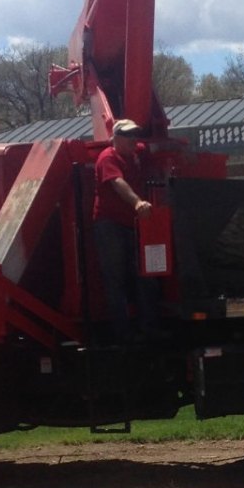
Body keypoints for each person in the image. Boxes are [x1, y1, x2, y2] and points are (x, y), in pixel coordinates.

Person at [92, 118, 159, 339]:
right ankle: (123, 333)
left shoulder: (134, 152)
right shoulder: (108, 158)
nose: (134, 140)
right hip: (110, 226)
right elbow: (118, 183)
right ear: (117, 138)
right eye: (129, 136)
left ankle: (148, 326)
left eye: (135, 135)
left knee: (144, 275)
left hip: (131, 225)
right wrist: (137, 203)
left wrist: (185, 151)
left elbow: (156, 146)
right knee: (116, 279)